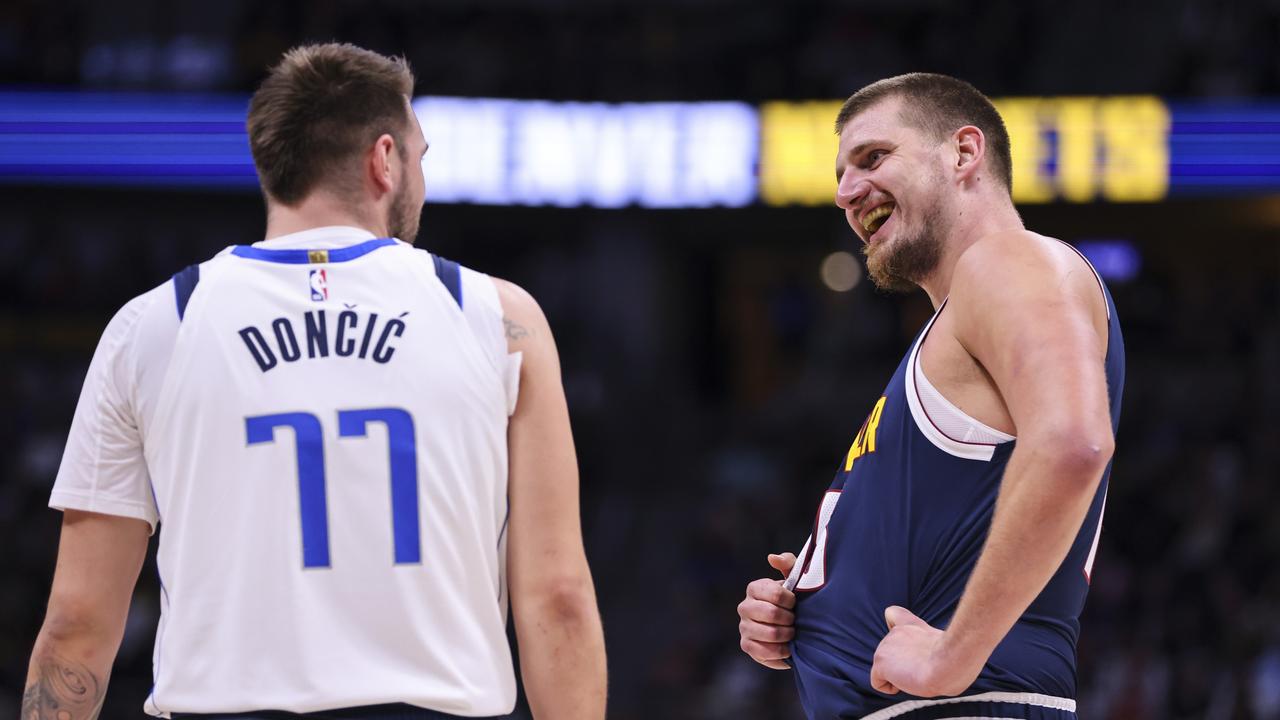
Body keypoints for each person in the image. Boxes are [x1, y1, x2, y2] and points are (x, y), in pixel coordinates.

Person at [21, 43, 606, 720]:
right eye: (420, 156)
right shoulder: (497, 317)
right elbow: (557, 597)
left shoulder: (154, 325)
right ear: (384, 160)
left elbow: (76, 626)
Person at [737, 73, 1124, 719]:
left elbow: (1073, 443)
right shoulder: (951, 329)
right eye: (841, 174)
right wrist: (806, 600)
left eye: (873, 157)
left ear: (964, 153)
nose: (846, 192)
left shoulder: (1007, 261)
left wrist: (952, 656)